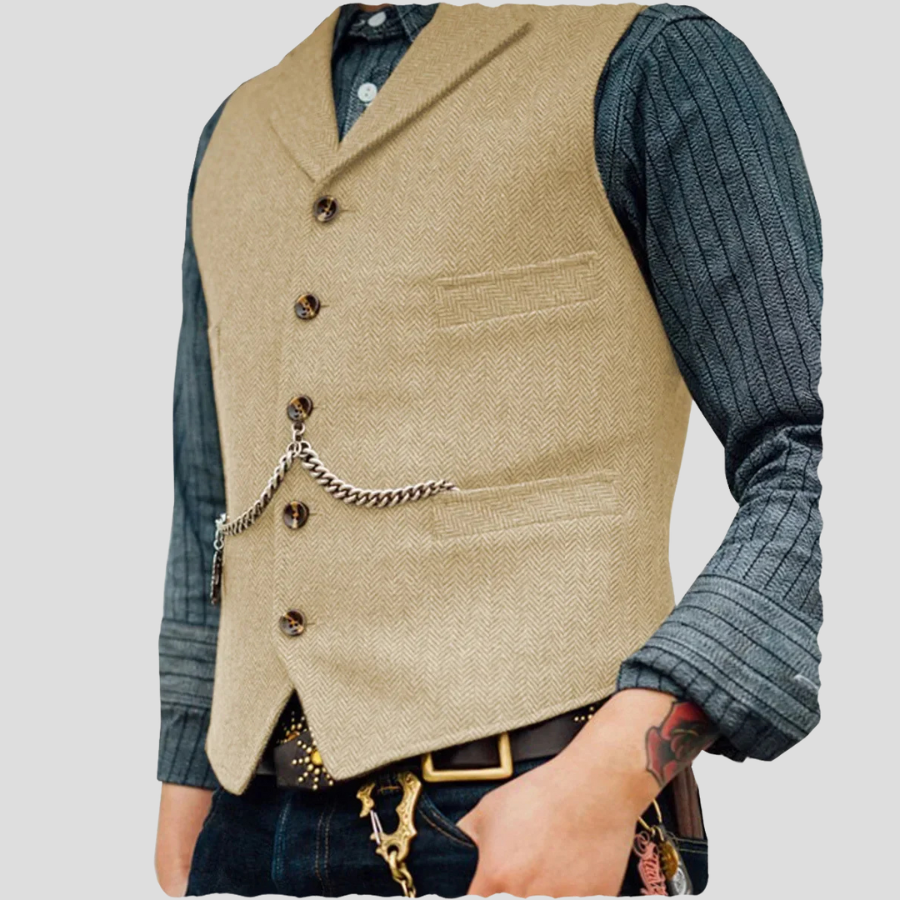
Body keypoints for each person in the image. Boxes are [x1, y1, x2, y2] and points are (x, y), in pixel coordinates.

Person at [155, 3, 824, 896]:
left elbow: (806, 461)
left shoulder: (650, 65)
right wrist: (185, 772)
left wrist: (612, 777)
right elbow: (212, 501)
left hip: (534, 811)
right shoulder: (233, 131)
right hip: (246, 827)